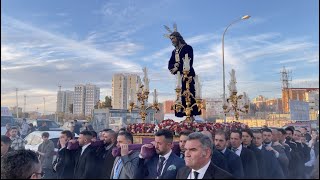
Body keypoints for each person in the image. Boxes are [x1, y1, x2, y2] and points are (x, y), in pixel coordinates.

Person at [166, 25, 200, 117]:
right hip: (179, 77)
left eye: (173, 38)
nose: (172, 41)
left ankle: (191, 113)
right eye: (171, 39)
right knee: (180, 94)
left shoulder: (188, 48)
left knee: (190, 93)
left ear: (178, 38)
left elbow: (188, 61)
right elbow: (170, 63)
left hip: (188, 75)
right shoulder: (174, 52)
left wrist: (177, 67)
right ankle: (182, 112)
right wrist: (174, 67)